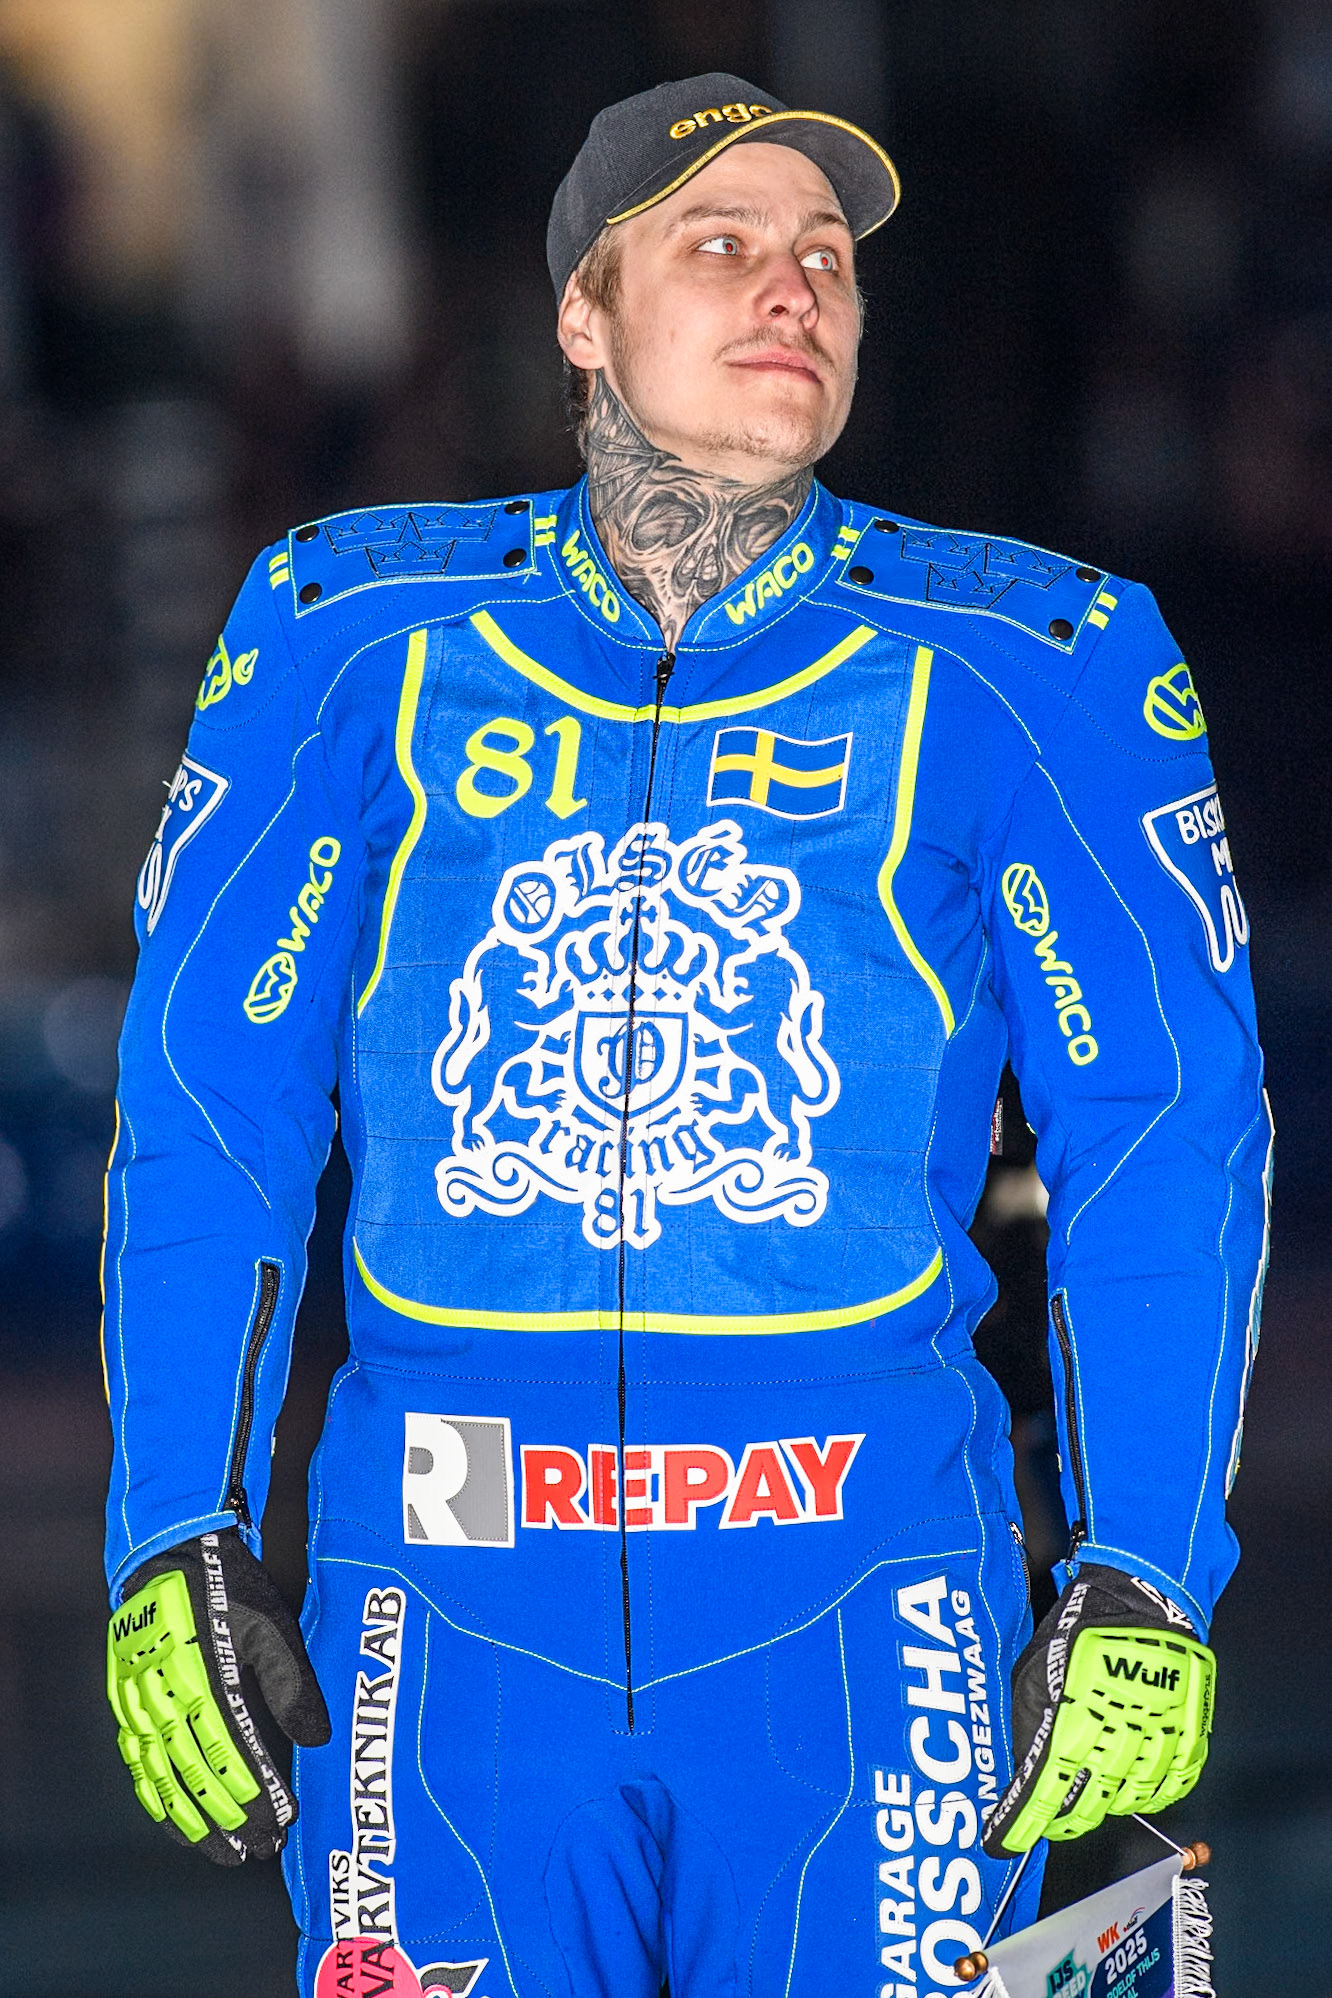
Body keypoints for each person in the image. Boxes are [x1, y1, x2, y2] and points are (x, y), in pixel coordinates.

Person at [103, 73, 1271, 1998]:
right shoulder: (347, 625)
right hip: (442, 1615)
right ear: (585, 311)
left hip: (874, 1602)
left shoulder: (1037, 658)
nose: (792, 289)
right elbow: (206, 1097)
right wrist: (173, 1519)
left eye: (827, 259)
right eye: (721, 246)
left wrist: (1146, 1564)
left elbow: (1168, 1123)